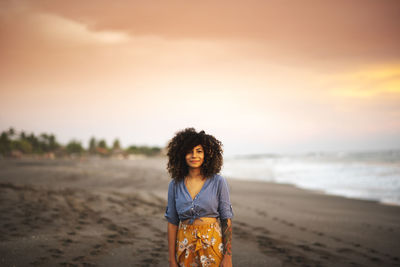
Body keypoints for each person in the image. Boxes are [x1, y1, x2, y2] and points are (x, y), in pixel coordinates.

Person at [165, 128, 233, 267]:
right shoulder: (175, 184)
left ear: (207, 154)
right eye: (189, 151)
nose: (194, 155)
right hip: (184, 246)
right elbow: (172, 222)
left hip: (213, 245)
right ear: (181, 154)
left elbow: (226, 220)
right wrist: (172, 260)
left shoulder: (218, 182)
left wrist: (228, 257)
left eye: (199, 151)